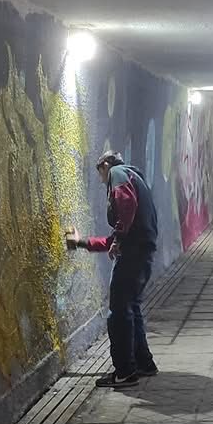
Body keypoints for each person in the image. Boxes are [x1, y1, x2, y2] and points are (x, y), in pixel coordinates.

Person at [65, 150, 159, 389]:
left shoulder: (117, 172)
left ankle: (124, 372)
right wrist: (81, 242)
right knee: (131, 308)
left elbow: (125, 204)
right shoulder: (136, 178)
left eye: (101, 175)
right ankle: (144, 363)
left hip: (132, 254)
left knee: (118, 313)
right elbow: (114, 237)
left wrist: (118, 238)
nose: (103, 182)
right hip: (143, 252)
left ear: (105, 165)